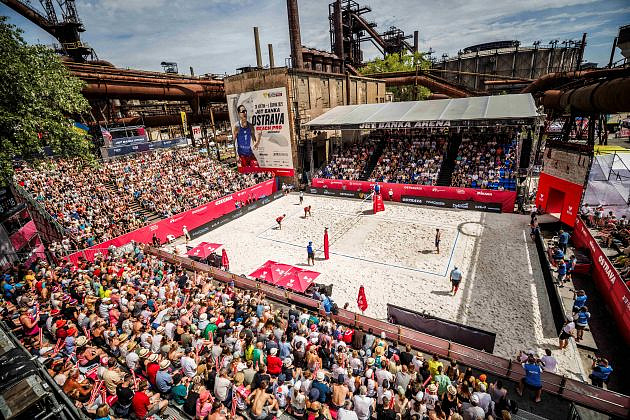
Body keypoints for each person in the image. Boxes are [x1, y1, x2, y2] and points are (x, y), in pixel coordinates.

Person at [232, 104, 262, 170]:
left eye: (245, 111)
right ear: (239, 114)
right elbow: (232, 143)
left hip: (250, 154)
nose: (245, 113)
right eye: (243, 111)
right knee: (247, 173)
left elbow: (255, 146)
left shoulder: (251, 126)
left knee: (257, 170)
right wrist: (236, 155)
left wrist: (259, 138)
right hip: (241, 156)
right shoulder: (236, 127)